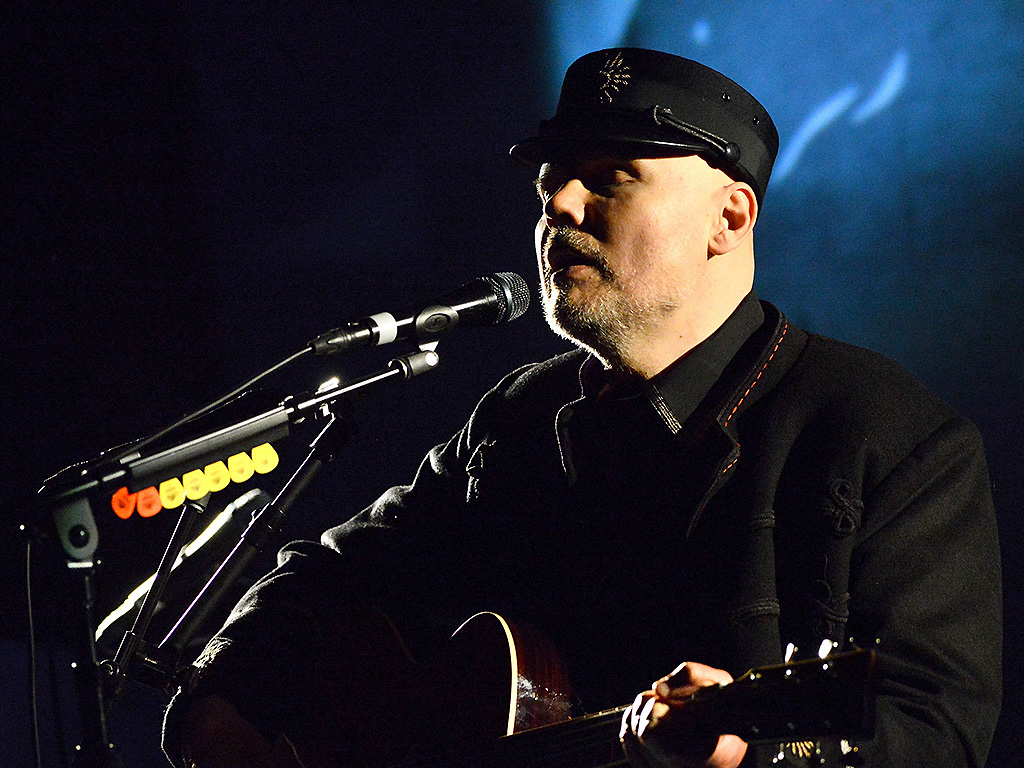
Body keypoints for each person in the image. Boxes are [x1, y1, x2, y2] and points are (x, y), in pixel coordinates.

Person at [164, 48, 1002, 768]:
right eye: (549, 186)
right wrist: (227, 695)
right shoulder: (518, 421)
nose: (559, 207)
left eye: (609, 181)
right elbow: (335, 574)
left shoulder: (888, 438)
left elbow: (934, 730)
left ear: (730, 216)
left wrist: (760, 753)